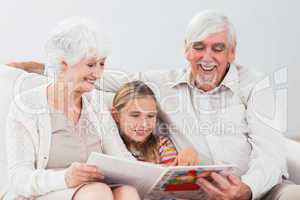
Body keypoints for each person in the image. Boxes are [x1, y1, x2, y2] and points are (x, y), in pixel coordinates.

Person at [8, 10, 300, 199]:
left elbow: (272, 155)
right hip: (199, 192)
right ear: (186, 50)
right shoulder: (163, 83)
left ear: (232, 53)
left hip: (254, 187)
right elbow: (111, 78)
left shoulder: (255, 87)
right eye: (198, 47)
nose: (207, 57)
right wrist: (41, 67)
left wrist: (246, 189)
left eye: (218, 48)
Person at [4, 17, 140, 200]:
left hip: (94, 190)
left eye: (102, 64)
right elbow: (18, 178)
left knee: (127, 192)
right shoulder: (27, 106)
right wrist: (66, 178)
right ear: (63, 64)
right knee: (97, 192)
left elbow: (121, 157)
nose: (98, 74)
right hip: (43, 193)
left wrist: (157, 174)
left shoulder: (96, 104)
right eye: (91, 65)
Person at [111, 80, 200, 166]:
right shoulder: (110, 144)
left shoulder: (161, 145)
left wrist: (188, 153)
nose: (144, 124)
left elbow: (171, 176)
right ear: (116, 116)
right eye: (135, 115)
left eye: (150, 116)